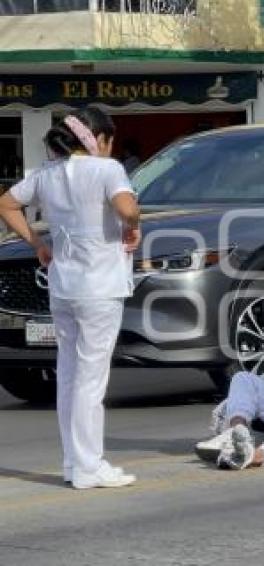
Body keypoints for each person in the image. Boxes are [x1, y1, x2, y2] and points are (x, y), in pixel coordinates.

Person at [0, 106, 141, 489]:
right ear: (99, 139)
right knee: (91, 380)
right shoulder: (107, 169)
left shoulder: (46, 175)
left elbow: (6, 203)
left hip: (63, 287)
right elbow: (127, 207)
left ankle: (73, 461)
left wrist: (36, 244)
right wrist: (132, 225)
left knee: (70, 375)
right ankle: (88, 466)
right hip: (101, 289)